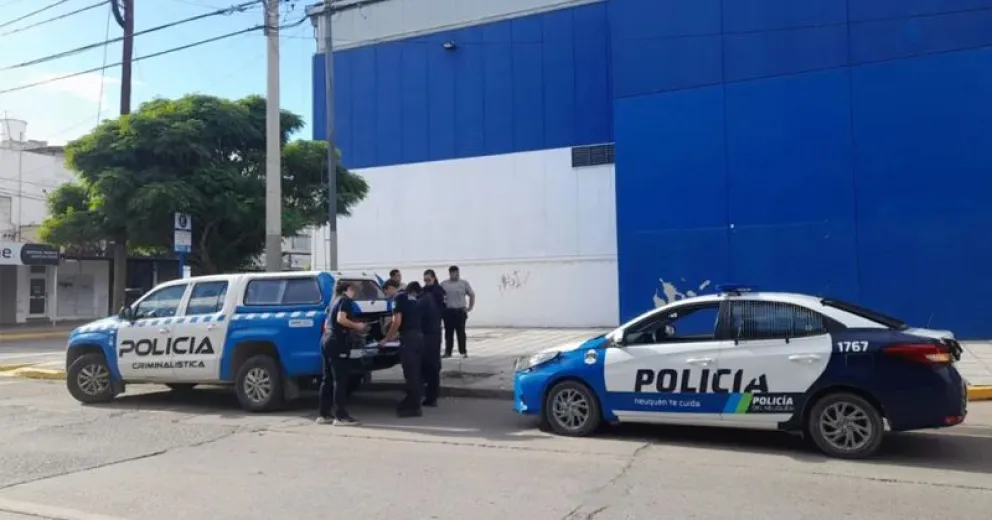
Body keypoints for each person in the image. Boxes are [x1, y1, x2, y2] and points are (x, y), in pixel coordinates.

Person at [316, 280, 368, 426]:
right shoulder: (345, 301)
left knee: (327, 379)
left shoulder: (333, 301)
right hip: (337, 342)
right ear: (348, 288)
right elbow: (341, 319)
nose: (354, 294)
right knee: (340, 379)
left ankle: (324, 414)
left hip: (326, 340)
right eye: (354, 290)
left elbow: (327, 323)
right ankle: (341, 416)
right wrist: (357, 326)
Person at [382, 279, 424, 418]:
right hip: (418, 336)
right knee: (416, 372)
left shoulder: (398, 297)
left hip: (409, 339)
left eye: (385, 292)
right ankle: (414, 402)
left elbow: (397, 321)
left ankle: (413, 407)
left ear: (390, 288)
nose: (386, 295)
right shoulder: (410, 296)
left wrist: (387, 338)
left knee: (410, 374)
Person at [413, 281, 443, 407]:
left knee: (426, 367)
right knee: (434, 367)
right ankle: (432, 396)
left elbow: (415, 317)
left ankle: (428, 397)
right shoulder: (429, 298)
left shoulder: (422, 301)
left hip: (428, 337)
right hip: (435, 335)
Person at [440, 265, 475, 358]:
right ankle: (448, 352)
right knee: (448, 333)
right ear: (450, 273)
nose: (457, 275)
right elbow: (439, 297)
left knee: (461, 333)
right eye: (454, 273)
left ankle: (463, 352)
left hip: (460, 311)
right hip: (448, 312)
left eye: (458, 273)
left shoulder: (464, 283)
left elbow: (471, 294)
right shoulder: (444, 284)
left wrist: (470, 307)